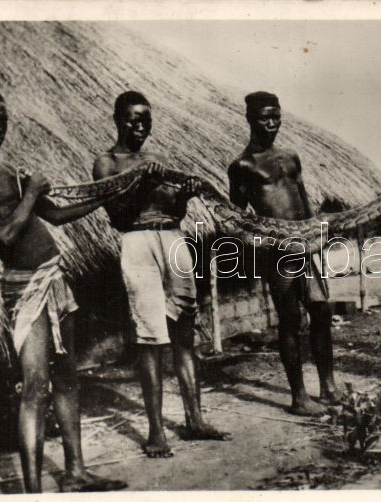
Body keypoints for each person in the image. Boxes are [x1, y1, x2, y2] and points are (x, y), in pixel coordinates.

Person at [0, 84, 127, 493]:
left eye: (2, 119)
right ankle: (32, 492)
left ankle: (76, 472)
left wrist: (109, 193)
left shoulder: (7, 170)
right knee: (34, 388)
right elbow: (6, 236)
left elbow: (58, 216)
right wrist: (31, 190)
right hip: (26, 287)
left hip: (54, 279)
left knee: (67, 380)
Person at [92, 91, 230, 458]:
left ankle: (195, 420)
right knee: (150, 338)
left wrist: (185, 196)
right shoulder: (106, 163)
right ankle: (156, 432)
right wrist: (139, 183)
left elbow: (173, 212)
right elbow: (120, 217)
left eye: (146, 119)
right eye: (133, 118)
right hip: (138, 244)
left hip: (173, 239)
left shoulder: (157, 160)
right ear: (118, 119)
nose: (140, 126)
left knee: (185, 333)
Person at [228, 91, 340, 416]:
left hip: (304, 247)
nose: (272, 123)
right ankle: (299, 397)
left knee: (321, 310)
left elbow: (304, 201)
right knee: (290, 320)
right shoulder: (243, 166)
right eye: (265, 117)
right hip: (276, 253)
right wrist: (261, 242)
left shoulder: (290, 157)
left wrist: (315, 233)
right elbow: (236, 217)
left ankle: (329, 387)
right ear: (250, 118)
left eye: (276, 115)